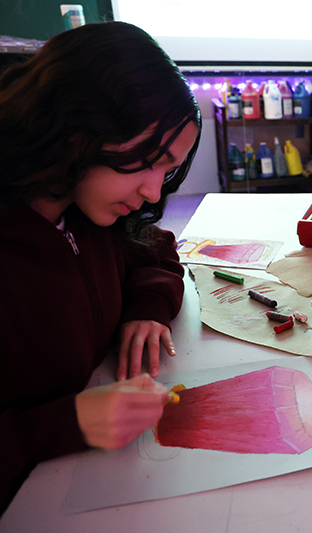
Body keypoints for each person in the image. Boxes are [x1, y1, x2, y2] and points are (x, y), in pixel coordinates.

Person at [0, 22, 201, 513]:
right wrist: (65, 424)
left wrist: (148, 307)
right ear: (77, 130)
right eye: (149, 160)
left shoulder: (84, 209)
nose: (156, 193)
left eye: (169, 170)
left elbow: (156, 250)